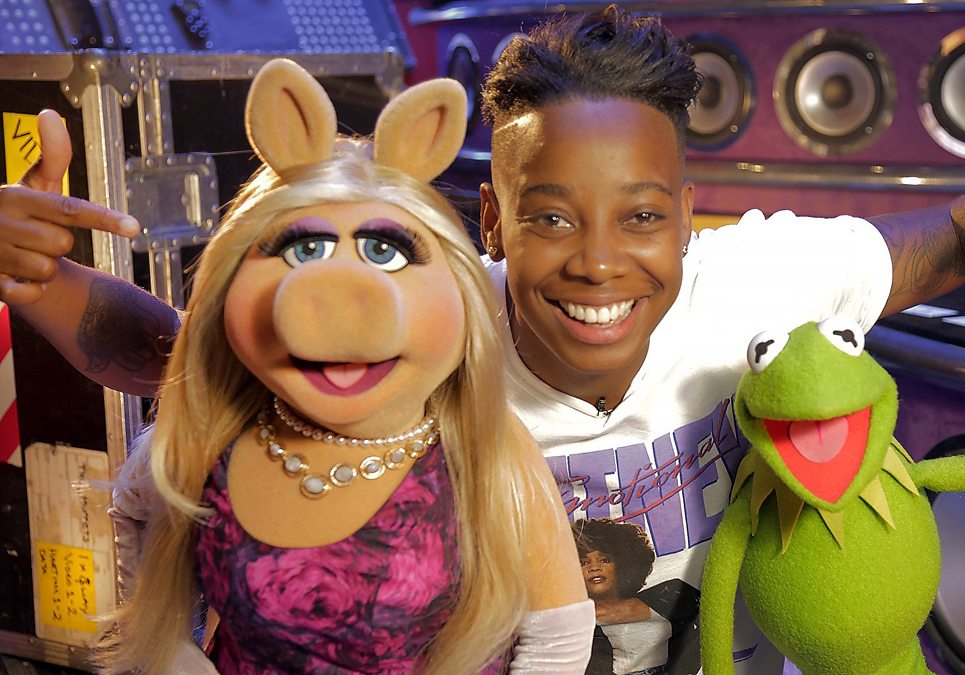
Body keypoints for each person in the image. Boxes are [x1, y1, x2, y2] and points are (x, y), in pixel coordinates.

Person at [0, 5, 965, 672]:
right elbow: (189, 355)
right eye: (552, 218)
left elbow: (960, 232)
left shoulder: (755, 280)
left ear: (688, 215)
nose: (601, 262)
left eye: (643, 219)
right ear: (493, 223)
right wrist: (39, 279)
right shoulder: (435, 328)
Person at [93, 61, 591, 673]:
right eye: (304, 248)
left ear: (459, 285)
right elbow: (137, 523)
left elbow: (557, 637)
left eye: (386, 251)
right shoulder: (210, 438)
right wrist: (173, 655)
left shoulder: (483, 446)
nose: (339, 296)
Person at [574, 518, 701, 675]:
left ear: (621, 564)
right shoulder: (576, 623)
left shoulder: (669, 594)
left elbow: (708, 626)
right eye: (583, 563)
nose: (594, 567)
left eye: (604, 560)